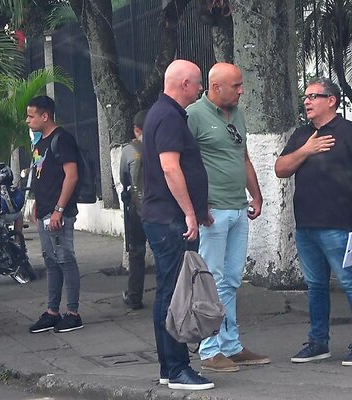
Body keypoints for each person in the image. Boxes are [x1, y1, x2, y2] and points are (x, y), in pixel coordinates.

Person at [274, 77, 352, 366]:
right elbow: (281, 169)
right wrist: (306, 150)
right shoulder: (302, 135)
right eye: (305, 97)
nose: (306, 101)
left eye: (313, 96)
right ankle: (318, 342)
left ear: (331, 100)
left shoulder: (349, 132)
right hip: (306, 226)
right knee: (315, 286)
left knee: (351, 283)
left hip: (338, 224)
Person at [186, 62, 269, 372]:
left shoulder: (237, 114)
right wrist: (197, 206)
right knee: (211, 280)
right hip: (212, 211)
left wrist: (256, 194)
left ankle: (231, 345)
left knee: (232, 279)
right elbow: (182, 162)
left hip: (237, 207)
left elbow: (243, 156)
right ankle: (209, 350)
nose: (241, 91)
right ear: (215, 87)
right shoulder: (194, 115)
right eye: (236, 86)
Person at [140, 59, 214, 390]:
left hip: (167, 216)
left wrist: (199, 208)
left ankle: (168, 366)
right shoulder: (168, 116)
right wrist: (189, 212)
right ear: (184, 84)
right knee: (175, 295)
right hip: (170, 219)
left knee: (169, 292)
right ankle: (177, 368)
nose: (201, 89)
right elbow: (171, 167)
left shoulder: (164, 113)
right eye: (198, 83)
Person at [26, 95, 83, 334]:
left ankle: (73, 313)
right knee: (50, 261)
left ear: (45, 116)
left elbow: (72, 176)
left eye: (31, 116)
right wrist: (37, 204)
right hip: (44, 210)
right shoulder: (40, 143)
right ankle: (52, 311)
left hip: (59, 212)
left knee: (65, 258)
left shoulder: (62, 139)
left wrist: (59, 209)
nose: (27, 120)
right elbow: (42, 175)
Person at [119, 109, 148, 310]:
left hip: (137, 208)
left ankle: (135, 296)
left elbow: (124, 178)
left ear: (136, 129)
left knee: (136, 252)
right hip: (161, 208)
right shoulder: (162, 145)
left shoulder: (129, 150)